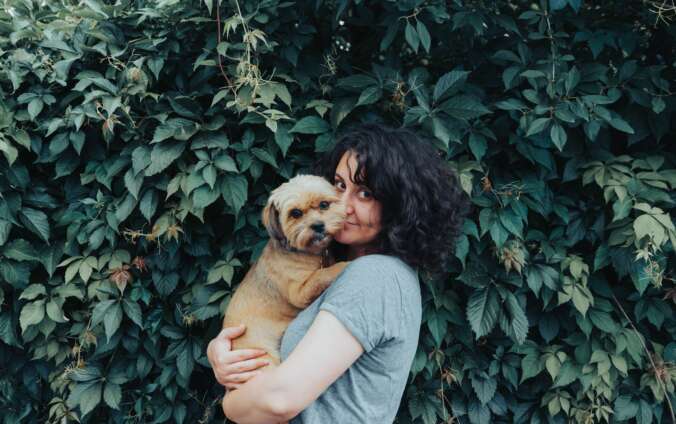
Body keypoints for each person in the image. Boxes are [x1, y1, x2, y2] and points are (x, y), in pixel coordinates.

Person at [206, 123, 468, 423]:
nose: (343, 204)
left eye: (365, 193)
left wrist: (231, 402)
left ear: (399, 207)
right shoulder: (344, 269)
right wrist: (221, 354)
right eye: (340, 185)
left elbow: (279, 400)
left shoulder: (373, 276)